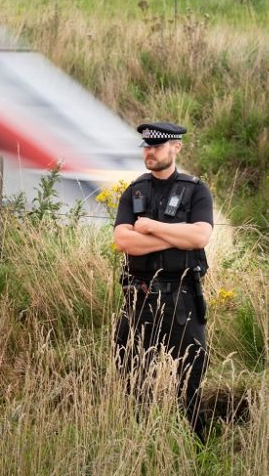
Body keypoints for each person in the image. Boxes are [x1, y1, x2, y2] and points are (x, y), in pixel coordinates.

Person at [112, 122, 213, 440]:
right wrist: (175, 237)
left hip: (182, 299)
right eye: (146, 146)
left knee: (191, 383)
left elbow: (200, 236)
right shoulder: (134, 191)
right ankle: (139, 448)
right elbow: (124, 242)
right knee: (132, 381)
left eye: (156, 146)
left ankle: (200, 450)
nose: (149, 152)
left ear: (176, 148)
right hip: (138, 299)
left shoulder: (195, 190)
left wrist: (153, 227)